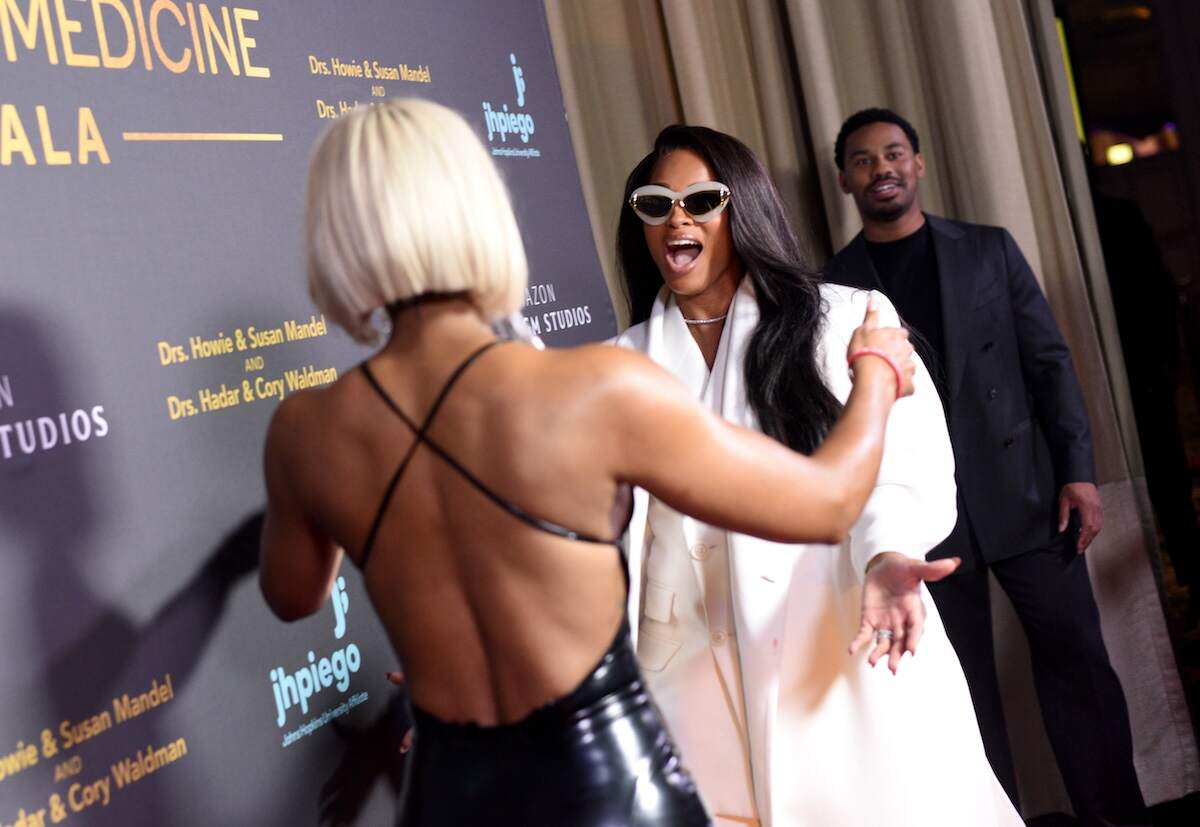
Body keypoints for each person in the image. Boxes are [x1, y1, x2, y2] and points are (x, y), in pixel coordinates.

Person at [259, 98, 924, 826]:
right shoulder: (596, 387)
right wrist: (876, 372)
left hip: (447, 795)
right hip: (610, 789)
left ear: (332, 233)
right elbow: (827, 502)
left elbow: (294, 595)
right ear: (479, 213)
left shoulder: (304, 430)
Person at [614, 123, 1020, 827]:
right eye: (656, 204)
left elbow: (903, 461)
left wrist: (890, 555)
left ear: (743, 207)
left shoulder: (844, 320)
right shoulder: (618, 366)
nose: (677, 218)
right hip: (690, 681)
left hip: (836, 646)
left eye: (701, 199)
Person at [825, 107, 1150, 826]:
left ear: (917, 164)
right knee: (958, 697)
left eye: (893, 153)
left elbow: (1049, 363)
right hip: (921, 520)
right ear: (844, 179)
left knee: (1080, 670)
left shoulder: (987, 250)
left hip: (1030, 497)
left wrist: (1080, 469)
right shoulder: (833, 288)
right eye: (863, 159)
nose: (881, 168)